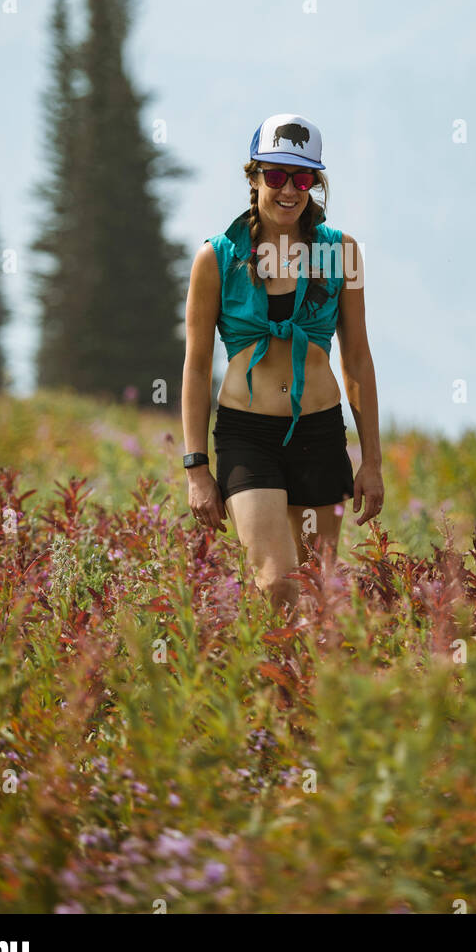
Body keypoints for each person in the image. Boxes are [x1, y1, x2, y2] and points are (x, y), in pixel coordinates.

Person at [181, 112, 384, 608]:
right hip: (247, 437)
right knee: (277, 584)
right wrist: (195, 469)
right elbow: (195, 364)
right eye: (275, 176)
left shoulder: (341, 253)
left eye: (302, 177)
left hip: (318, 432)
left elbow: (356, 357)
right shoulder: (217, 258)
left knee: (319, 592)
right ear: (253, 178)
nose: (288, 190)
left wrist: (372, 461)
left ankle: (301, 684)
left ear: (315, 182)